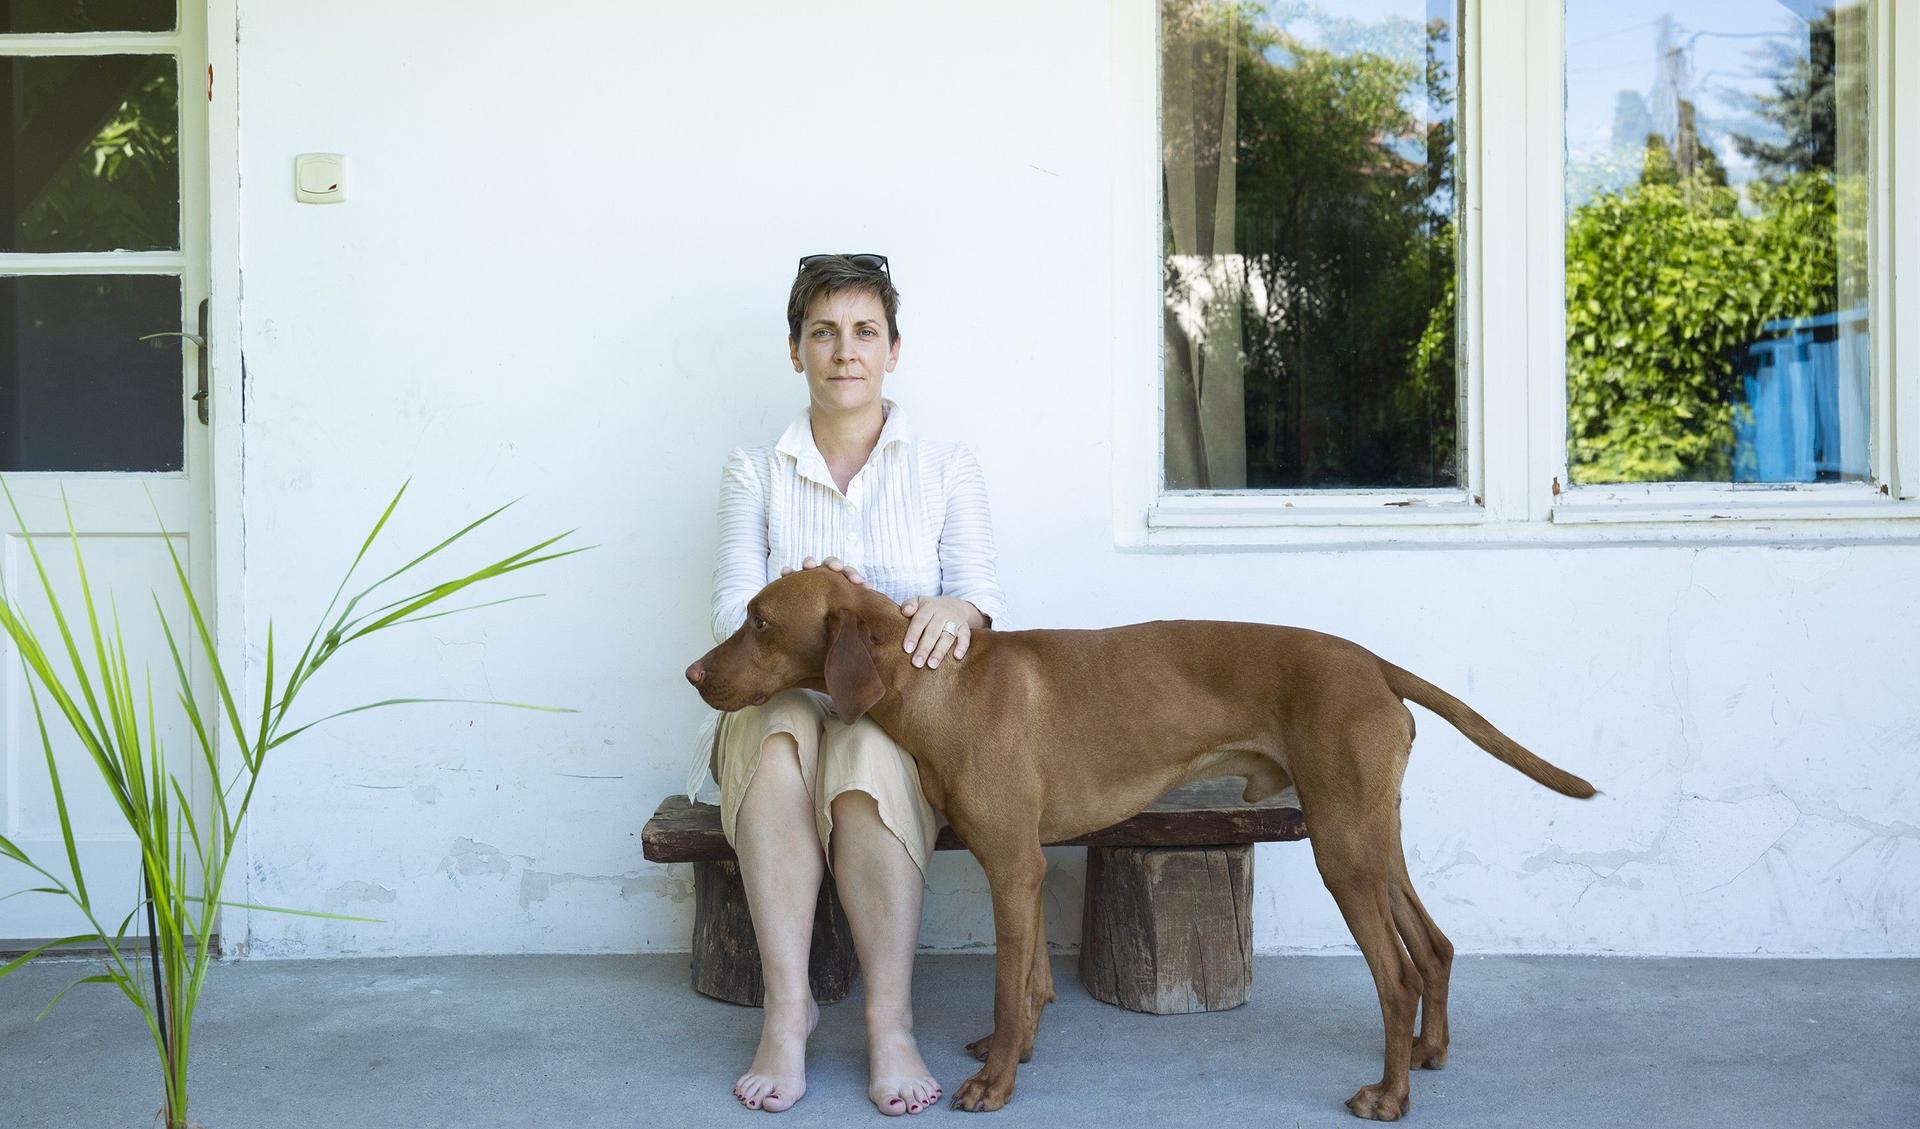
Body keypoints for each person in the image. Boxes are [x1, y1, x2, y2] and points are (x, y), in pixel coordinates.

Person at [693, 253, 1007, 1116]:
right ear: (796, 350)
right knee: (780, 731)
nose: (845, 351)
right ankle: (786, 1013)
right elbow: (732, 605)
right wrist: (806, 594)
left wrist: (952, 604)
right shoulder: (754, 470)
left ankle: (888, 1023)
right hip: (782, 703)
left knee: (868, 752)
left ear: (894, 349)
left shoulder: (945, 464)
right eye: (823, 332)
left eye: (864, 331)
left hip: (897, 716)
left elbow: (981, 594)